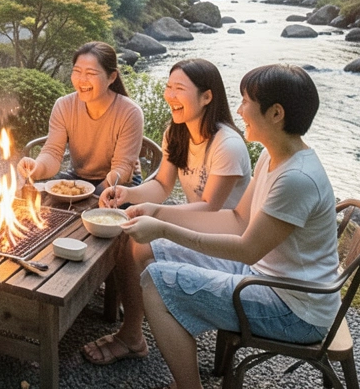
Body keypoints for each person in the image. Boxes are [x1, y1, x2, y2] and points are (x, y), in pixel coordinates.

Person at [121, 64, 339, 389]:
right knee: (149, 248)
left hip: (294, 308)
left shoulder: (296, 178)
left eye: (247, 101)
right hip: (264, 275)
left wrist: (164, 228)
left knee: (156, 282)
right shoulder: (273, 156)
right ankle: (135, 335)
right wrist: (159, 214)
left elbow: (246, 246)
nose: (239, 110)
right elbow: (237, 220)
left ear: (276, 113)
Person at [84, 57, 252, 366]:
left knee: (135, 241)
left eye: (179, 89)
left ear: (207, 96)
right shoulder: (177, 132)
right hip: (194, 227)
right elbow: (162, 184)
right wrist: (127, 194)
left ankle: (132, 335)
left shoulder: (227, 144)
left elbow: (210, 208)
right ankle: (133, 327)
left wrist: (157, 215)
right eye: (168, 87)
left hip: (226, 244)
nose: (170, 95)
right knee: (128, 234)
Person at [17, 42, 144, 194]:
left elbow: (122, 168)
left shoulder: (130, 112)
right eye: (77, 71)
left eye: (90, 73)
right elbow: (53, 152)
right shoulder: (64, 106)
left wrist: (95, 194)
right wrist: (35, 168)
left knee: (98, 213)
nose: (82, 80)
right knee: (43, 199)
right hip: (79, 176)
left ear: (112, 77)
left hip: (121, 182)